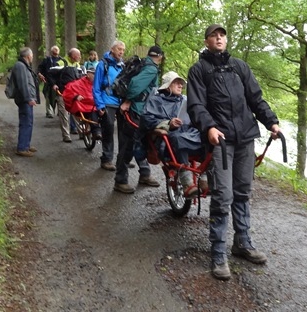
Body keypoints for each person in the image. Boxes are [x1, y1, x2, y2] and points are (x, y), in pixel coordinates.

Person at [187, 24, 280, 281]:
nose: (219, 38)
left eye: (222, 35)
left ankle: (242, 243)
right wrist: (210, 128)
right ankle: (218, 253)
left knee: (242, 192)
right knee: (223, 195)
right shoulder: (199, 70)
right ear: (206, 40)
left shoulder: (240, 67)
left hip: (245, 139)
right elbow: (196, 106)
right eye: (214, 35)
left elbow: (256, 98)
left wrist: (271, 121)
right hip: (221, 142)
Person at [139, 71, 205, 198]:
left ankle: (206, 179)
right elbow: (146, 119)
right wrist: (168, 123)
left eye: (181, 83)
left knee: (210, 138)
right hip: (167, 138)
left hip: (188, 132)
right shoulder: (155, 100)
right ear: (167, 85)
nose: (180, 86)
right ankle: (187, 183)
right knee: (177, 138)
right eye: (176, 83)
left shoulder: (185, 100)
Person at [113, 45, 164, 194]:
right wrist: (128, 101)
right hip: (136, 111)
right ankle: (120, 180)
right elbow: (135, 84)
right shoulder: (151, 69)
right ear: (159, 56)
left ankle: (145, 174)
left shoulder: (144, 64)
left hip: (139, 111)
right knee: (128, 145)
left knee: (141, 143)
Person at [92, 40, 126, 171]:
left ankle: (123, 159)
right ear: (112, 49)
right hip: (107, 101)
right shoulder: (103, 64)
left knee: (124, 132)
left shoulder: (122, 65)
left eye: (123, 50)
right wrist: (100, 105)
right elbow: (96, 87)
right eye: (119, 49)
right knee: (109, 129)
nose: (121, 52)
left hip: (121, 102)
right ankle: (106, 159)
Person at [48, 48, 82, 143]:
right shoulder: (61, 63)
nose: (80, 57)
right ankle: (66, 135)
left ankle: (81, 133)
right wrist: (53, 84)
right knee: (64, 115)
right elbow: (50, 74)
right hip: (62, 93)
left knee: (77, 113)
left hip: (75, 94)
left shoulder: (77, 65)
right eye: (78, 55)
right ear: (72, 56)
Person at [11, 47, 40, 157]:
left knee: (29, 122)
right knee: (25, 123)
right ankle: (22, 148)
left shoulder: (24, 66)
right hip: (24, 100)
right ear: (28, 56)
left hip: (26, 99)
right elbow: (22, 84)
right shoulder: (20, 66)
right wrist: (28, 98)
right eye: (32, 55)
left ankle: (26, 145)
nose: (32, 57)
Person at [62, 67, 101, 140]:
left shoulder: (99, 83)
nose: (96, 76)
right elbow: (68, 92)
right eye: (94, 74)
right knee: (92, 112)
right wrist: (76, 96)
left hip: (97, 104)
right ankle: (96, 131)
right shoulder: (78, 83)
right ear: (88, 74)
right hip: (85, 107)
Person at [37, 45, 67, 118]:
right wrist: (40, 74)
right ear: (51, 51)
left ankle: (59, 111)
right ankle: (49, 112)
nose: (56, 50)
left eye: (57, 49)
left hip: (59, 82)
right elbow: (40, 69)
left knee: (59, 97)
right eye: (54, 49)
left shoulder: (62, 60)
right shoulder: (47, 60)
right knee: (48, 96)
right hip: (48, 81)